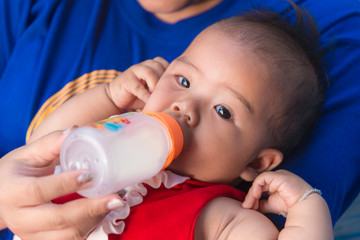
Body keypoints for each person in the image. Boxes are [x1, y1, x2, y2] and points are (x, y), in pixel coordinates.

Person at [0, 0, 359, 238]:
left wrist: (306, 206)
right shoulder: (107, 145)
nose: (185, 106)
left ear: (256, 162)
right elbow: (44, 146)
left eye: (223, 111)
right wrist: (108, 97)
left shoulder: (222, 216)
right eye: (184, 81)